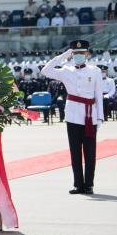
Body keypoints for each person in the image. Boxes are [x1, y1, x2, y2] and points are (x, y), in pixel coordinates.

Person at [41, 41, 104, 195]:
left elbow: (98, 95)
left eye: (81, 53)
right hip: (73, 116)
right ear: (72, 54)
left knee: (90, 152)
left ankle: (89, 184)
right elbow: (45, 71)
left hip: (90, 116)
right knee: (75, 151)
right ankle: (78, 184)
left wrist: (100, 117)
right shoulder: (65, 70)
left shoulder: (95, 70)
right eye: (75, 53)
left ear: (87, 54)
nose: (78, 56)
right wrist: (63, 56)